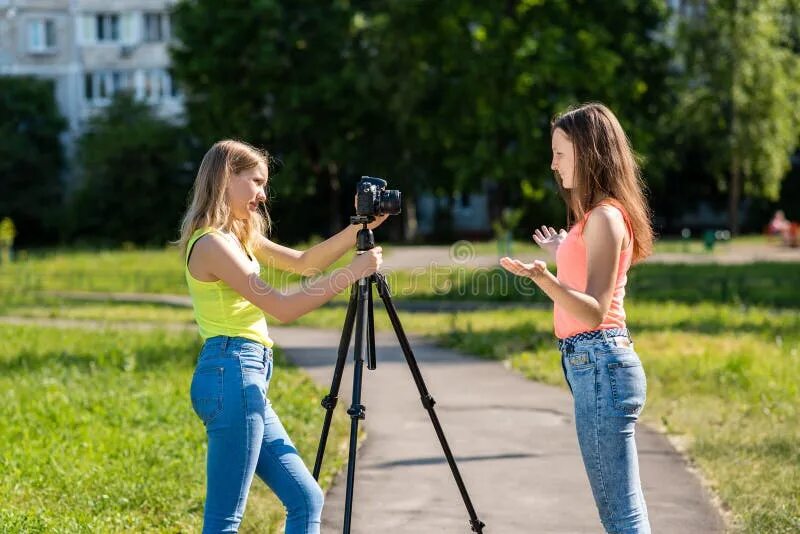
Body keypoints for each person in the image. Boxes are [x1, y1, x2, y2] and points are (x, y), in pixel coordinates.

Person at [176, 139, 385, 533]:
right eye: (255, 181)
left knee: (306, 499)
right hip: (231, 373)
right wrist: (353, 272)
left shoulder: (237, 238)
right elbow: (283, 307)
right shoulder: (211, 244)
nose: (263, 194)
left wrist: (359, 228)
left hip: (244, 376)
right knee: (224, 521)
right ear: (226, 177)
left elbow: (305, 264)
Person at [500, 103, 654, 533]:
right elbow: (588, 279)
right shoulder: (594, 218)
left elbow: (593, 309)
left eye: (560, 153)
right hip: (593, 363)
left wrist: (542, 278)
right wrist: (563, 253)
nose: (553, 164)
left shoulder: (605, 216)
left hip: (600, 362)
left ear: (587, 153)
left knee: (619, 513)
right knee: (620, 506)